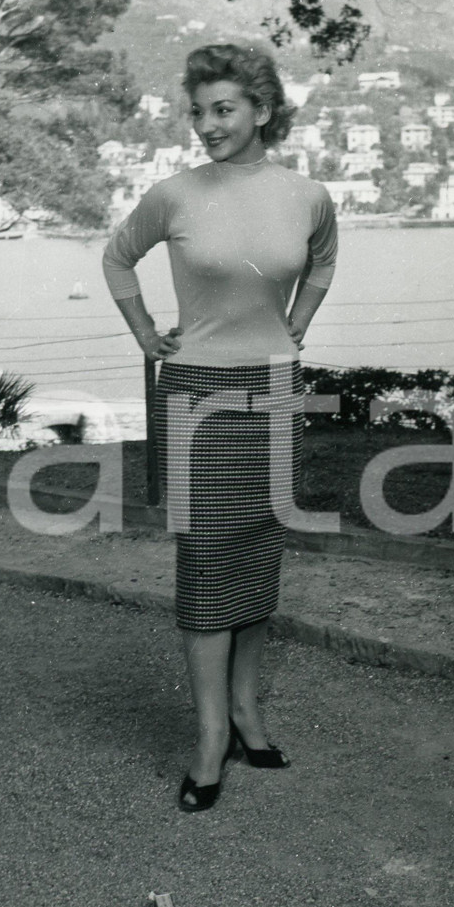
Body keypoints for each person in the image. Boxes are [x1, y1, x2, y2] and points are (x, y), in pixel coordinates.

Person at [102, 43, 337, 812]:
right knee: (207, 567)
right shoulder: (172, 195)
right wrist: (144, 333)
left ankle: (246, 714)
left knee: (256, 554)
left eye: (224, 109)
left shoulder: (308, 196)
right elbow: (116, 258)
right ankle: (209, 739)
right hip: (197, 393)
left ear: (263, 110)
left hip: (273, 391)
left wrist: (296, 323)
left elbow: (324, 260)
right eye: (199, 111)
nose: (206, 124)